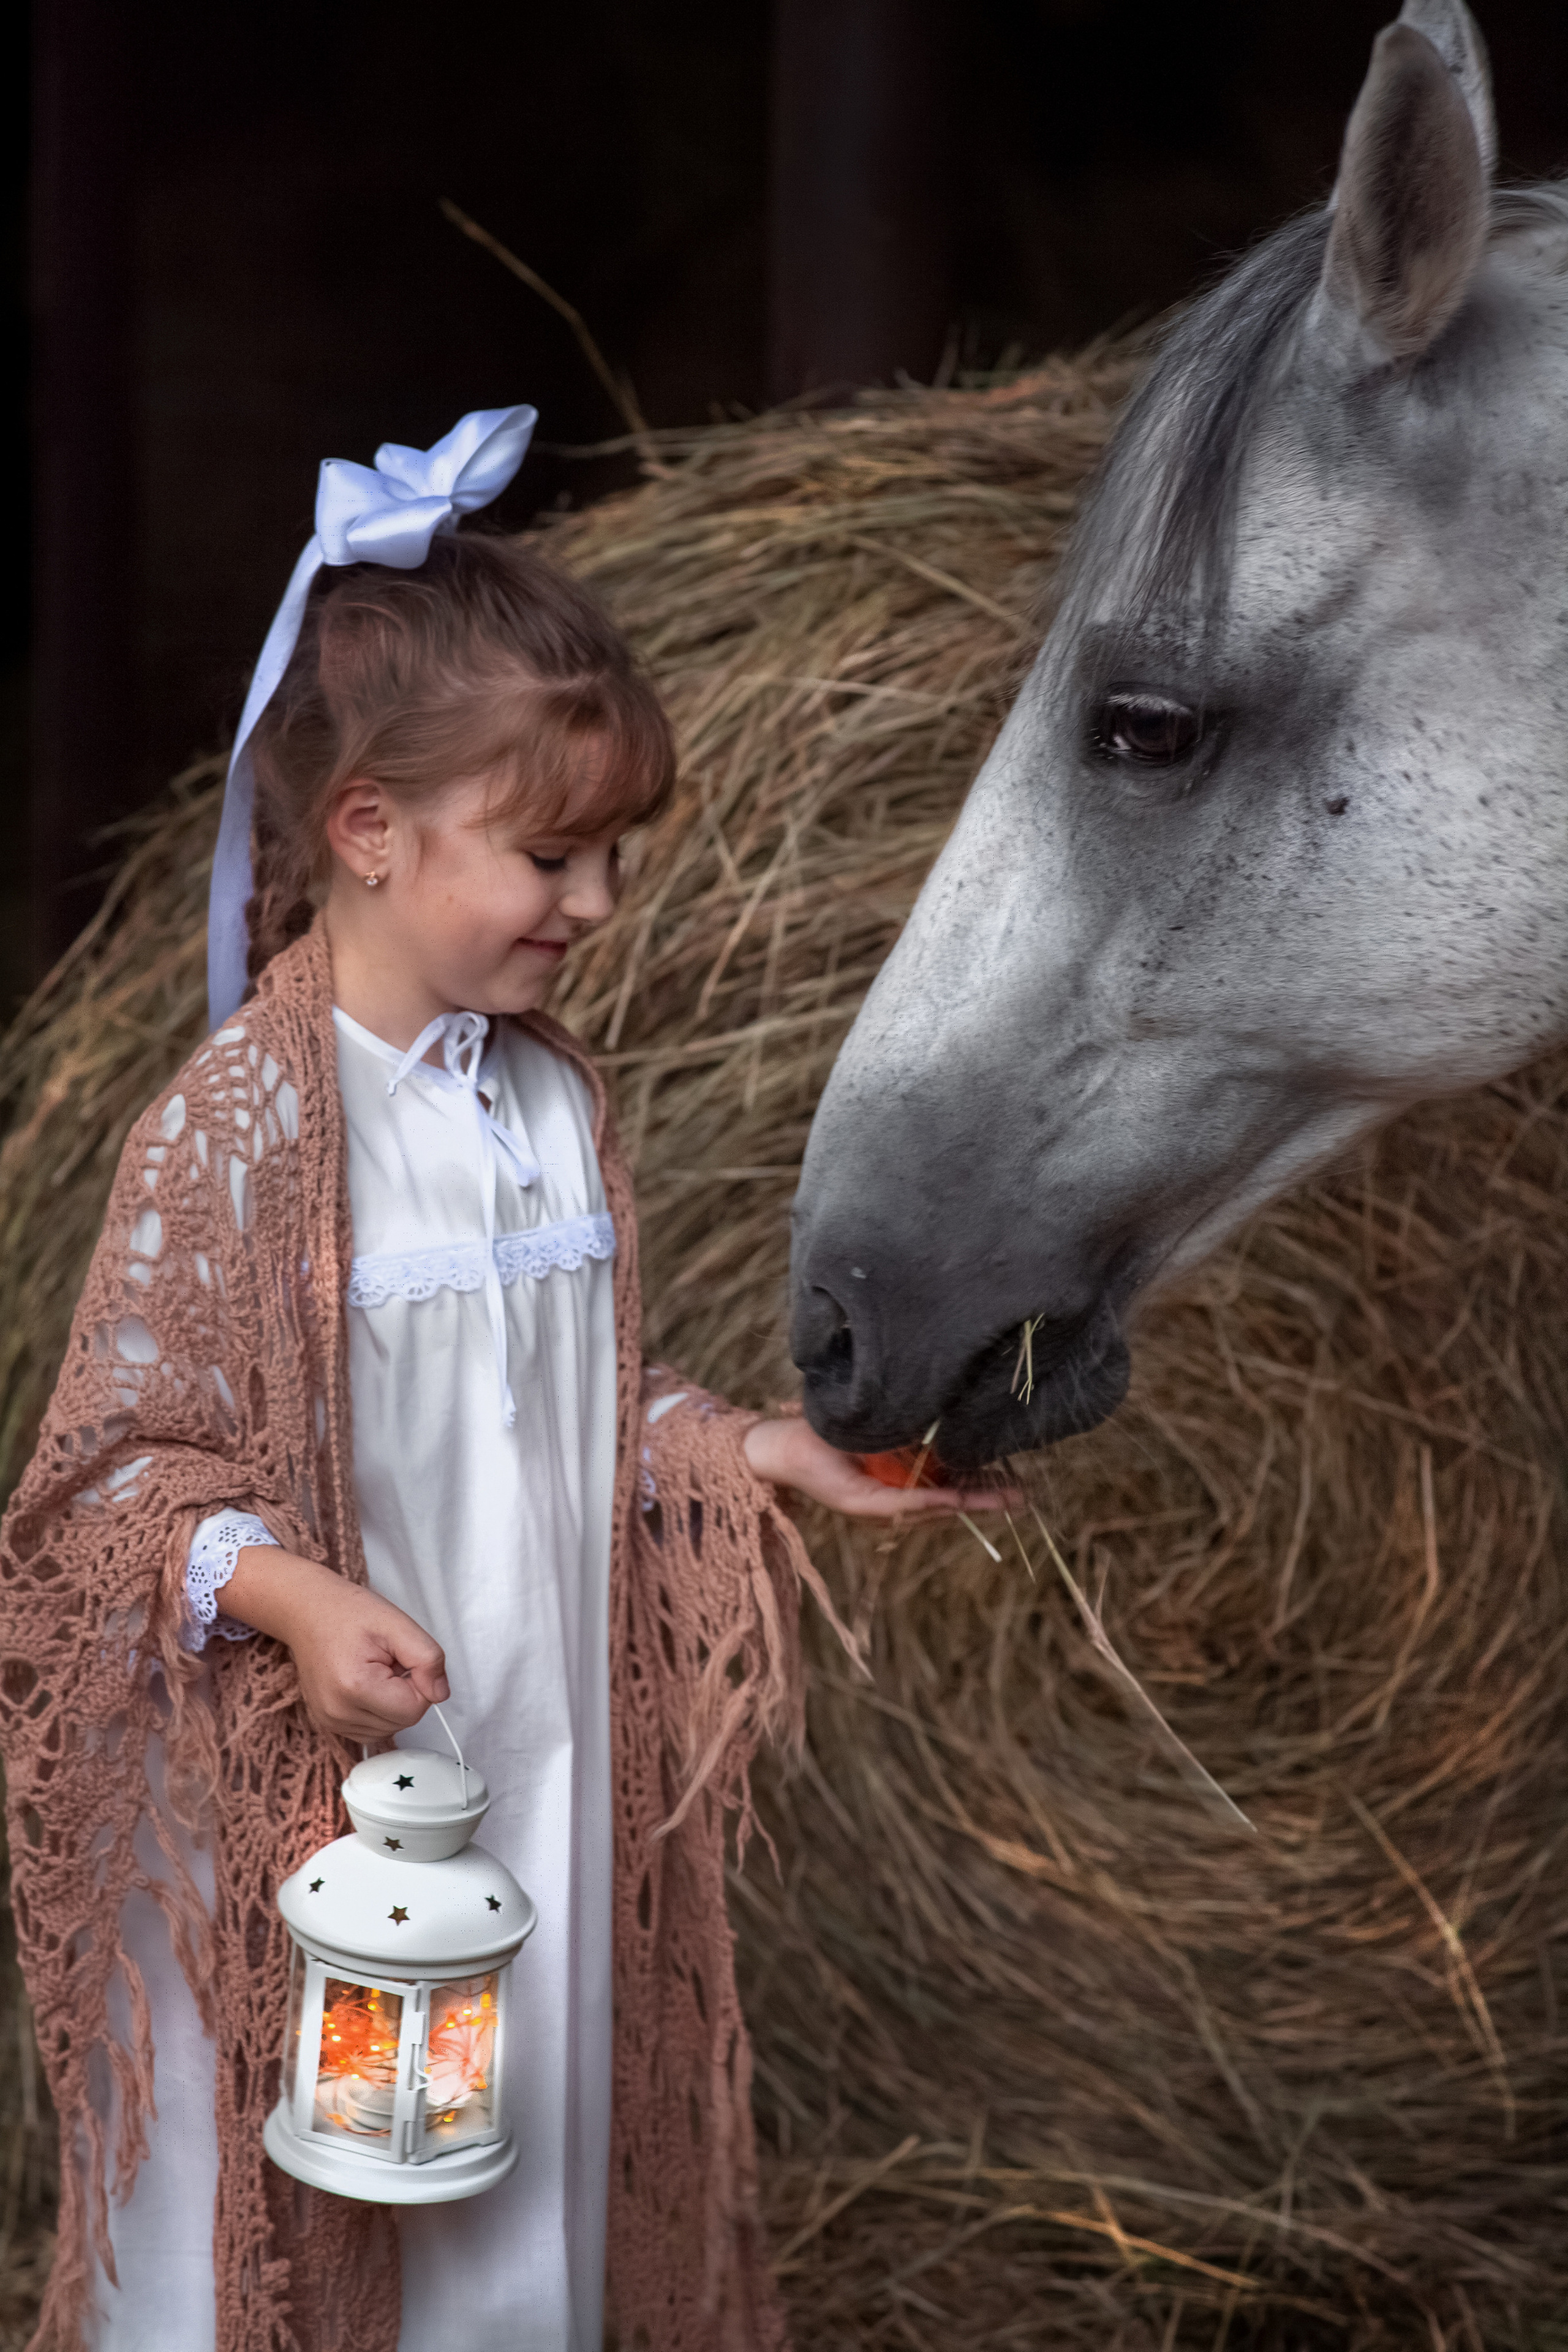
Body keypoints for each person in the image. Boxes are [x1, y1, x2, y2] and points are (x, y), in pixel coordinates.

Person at [0, 410, 1004, 2352]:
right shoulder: (239, 1131)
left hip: (537, 1762)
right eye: (551, 854)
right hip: (334, 1796)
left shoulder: (550, 1105)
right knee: (306, 2204)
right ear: (369, 830)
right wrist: (293, 1600)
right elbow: (106, 1487)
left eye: (615, 855)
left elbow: (572, 1399)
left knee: (514, 2180)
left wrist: (765, 1452)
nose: (598, 905)